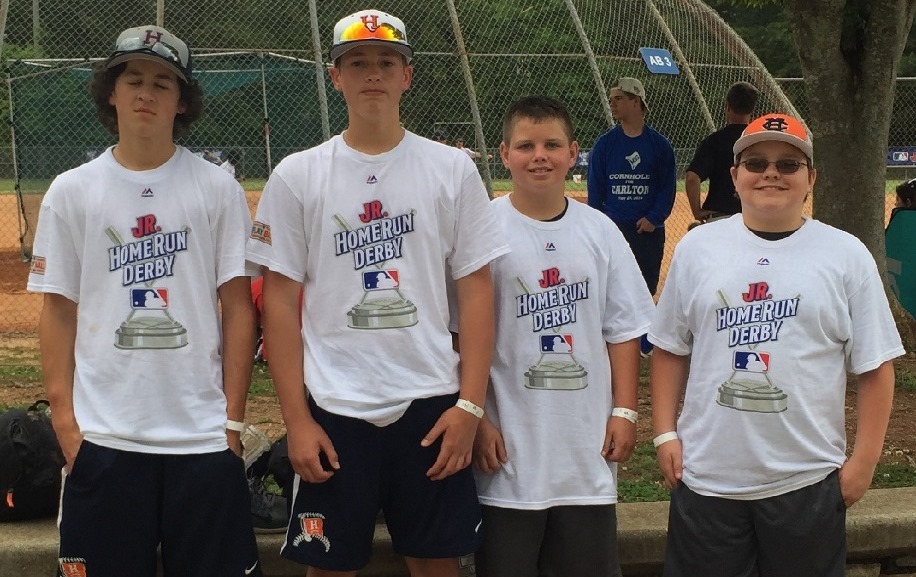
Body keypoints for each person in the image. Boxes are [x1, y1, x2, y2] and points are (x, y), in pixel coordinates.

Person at [246, 9, 509, 576]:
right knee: (329, 566)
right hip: (335, 407)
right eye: (357, 62)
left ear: (406, 75)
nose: (373, 74)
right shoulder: (298, 174)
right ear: (335, 76)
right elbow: (280, 303)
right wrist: (297, 420)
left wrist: (469, 405)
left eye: (387, 62)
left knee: (436, 564)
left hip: (431, 402)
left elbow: (476, 292)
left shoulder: (451, 169)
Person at [26, 25, 262, 577]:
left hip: (201, 438)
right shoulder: (73, 190)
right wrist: (66, 424)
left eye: (162, 83)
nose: (146, 94)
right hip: (104, 437)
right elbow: (58, 311)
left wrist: (231, 422)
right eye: (133, 79)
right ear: (111, 92)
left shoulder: (216, 187)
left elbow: (238, 308)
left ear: (182, 101)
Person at [648, 113, 904, 577]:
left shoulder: (845, 254)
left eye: (788, 164)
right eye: (756, 163)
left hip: (805, 479)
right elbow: (669, 348)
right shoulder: (698, 248)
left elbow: (876, 366)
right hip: (707, 477)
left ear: (811, 178)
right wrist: (665, 432)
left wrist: (864, 462)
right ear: (734, 176)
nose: (771, 173)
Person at [472, 96, 654, 577]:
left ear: (573, 153)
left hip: (584, 453)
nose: (540, 156)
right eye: (526, 146)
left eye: (552, 145)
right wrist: (477, 418)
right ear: (504, 153)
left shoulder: (599, 231)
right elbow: (458, 334)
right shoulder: (482, 229)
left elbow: (623, 329)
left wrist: (624, 411)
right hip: (507, 454)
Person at [587, 76, 676, 357]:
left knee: (646, 284)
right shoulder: (605, 144)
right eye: (612, 99)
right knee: (610, 286)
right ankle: (611, 339)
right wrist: (601, 224)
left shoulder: (659, 145)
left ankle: (644, 341)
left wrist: (654, 218)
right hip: (615, 229)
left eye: (619, 99)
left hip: (646, 230)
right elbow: (596, 188)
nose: (613, 104)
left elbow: (666, 188)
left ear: (636, 102)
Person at [685, 81, 759, 226]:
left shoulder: (714, 141)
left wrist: (697, 211)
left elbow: (692, 178)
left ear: (728, 107)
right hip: (753, 218)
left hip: (719, 219)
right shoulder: (758, 142)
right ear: (752, 110)